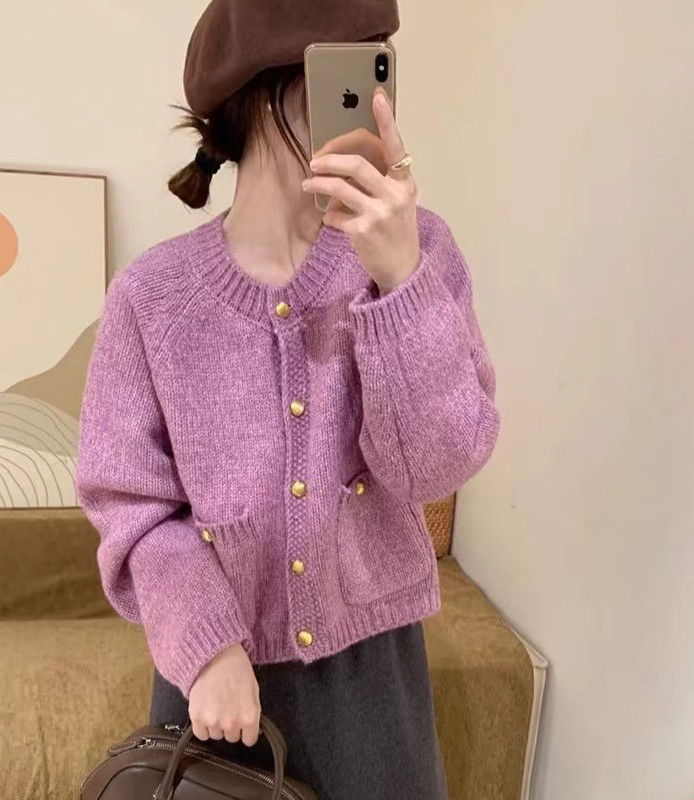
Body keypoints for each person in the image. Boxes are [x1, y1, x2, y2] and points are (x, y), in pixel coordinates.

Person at [76, 1, 500, 798]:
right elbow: (129, 503)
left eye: (383, 66)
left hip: (374, 681)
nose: (378, 101)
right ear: (270, 92)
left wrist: (402, 282)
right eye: (355, 70)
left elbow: (438, 466)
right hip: (214, 681)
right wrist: (206, 643)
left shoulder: (418, 250)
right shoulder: (152, 298)